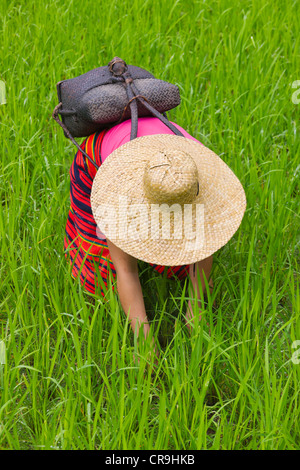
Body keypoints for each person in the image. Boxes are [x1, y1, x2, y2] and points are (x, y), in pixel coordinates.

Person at [64, 116, 246, 355]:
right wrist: (144, 342)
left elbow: (203, 247)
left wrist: (196, 312)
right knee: (98, 269)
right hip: (97, 159)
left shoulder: (192, 178)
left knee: (178, 264)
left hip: (156, 158)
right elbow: (126, 271)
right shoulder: (117, 192)